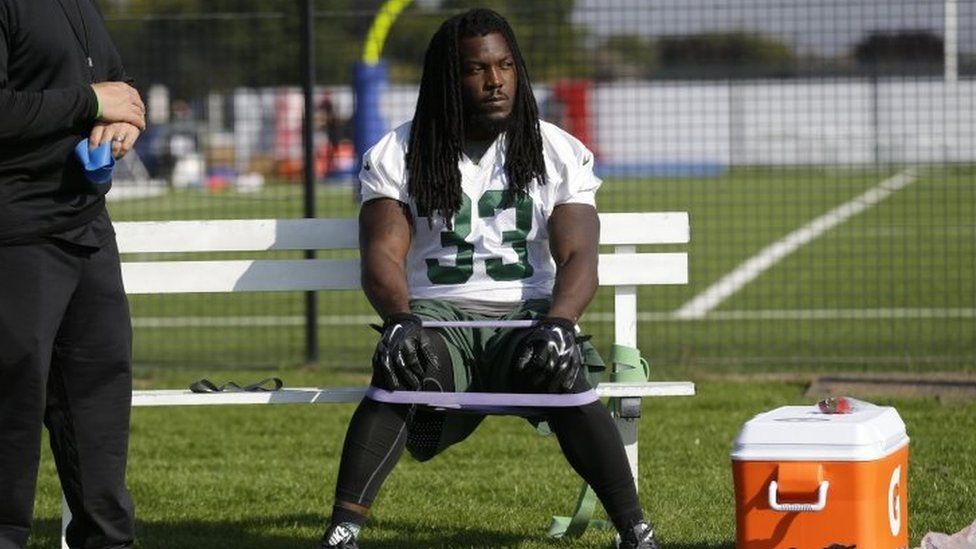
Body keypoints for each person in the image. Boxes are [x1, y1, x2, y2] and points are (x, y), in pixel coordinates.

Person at [320, 8, 659, 549]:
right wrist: (400, 322)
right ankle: (343, 530)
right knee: (405, 364)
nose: (496, 80)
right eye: (477, 69)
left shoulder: (555, 150)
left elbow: (580, 258)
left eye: (505, 66)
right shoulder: (401, 151)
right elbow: (381, 253)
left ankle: (634, 529)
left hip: (526, 317)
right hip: (439, 317)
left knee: (562, 370)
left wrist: (561, 323)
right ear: (447, 80)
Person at [0, 1, 146, 547]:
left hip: (86, 227)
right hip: (15, 235)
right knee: (10, 413)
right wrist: (89, 100)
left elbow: (115, 82)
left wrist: (123, 116)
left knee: (98, 407)